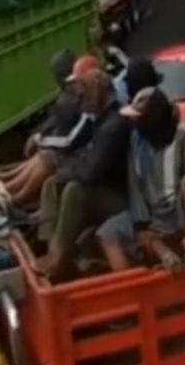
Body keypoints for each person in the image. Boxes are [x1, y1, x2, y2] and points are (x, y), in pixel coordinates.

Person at [96, 87, 185, 272]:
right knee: (108, 233)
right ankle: (132, 290)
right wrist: (141, 224)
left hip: (179, 210)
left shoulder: (183, 141)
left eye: (140, 118)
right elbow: (135, 185)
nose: (134, 122)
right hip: (151, 213)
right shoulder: (136, 141)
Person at [36, 68, 132, 281]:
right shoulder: (100, 118)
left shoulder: (113, 125)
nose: (80, 101)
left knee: (74, 190)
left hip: (120, 199)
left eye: (84, 94)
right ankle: (53, 251)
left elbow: (90, 173)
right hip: (103, 189)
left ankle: (59, 257)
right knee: (51, 184)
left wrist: (68, 173)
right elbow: (76, 146)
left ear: (99, 91)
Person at [0, 52, 98, 205]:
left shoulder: (88, 107)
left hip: (85, 156)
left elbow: (70, 140)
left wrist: (42, 140)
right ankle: (7, 184)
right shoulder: (84, 101)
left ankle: (14, 197)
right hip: (81, 150)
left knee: (49, 157)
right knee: (46, 154)